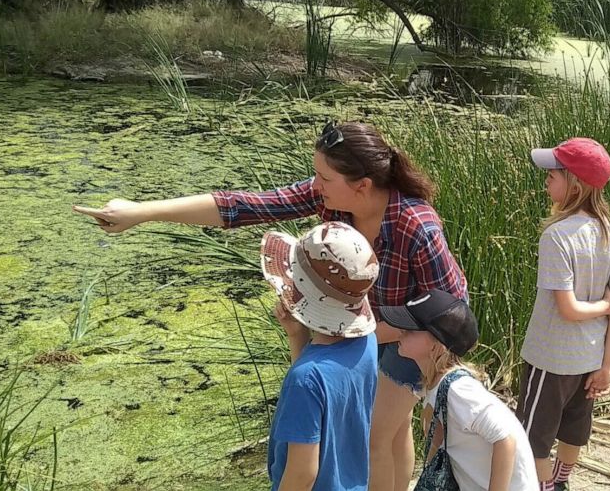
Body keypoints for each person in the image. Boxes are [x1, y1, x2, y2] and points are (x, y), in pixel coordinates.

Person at [73, 122, 468, 491]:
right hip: (364, 324)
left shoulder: (416, 225)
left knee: (375, 434)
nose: (316, 185)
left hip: (420, 334)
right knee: (394, 429)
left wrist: (375, 333)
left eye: (325, 178)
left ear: (362, 185)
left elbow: (448, 311)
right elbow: (243, 205)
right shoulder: (333, 196)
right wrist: (141, 212)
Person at [515, 138, 610, 491]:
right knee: (574, 428)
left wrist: (601, 306)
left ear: (575, 185)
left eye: (553, 175)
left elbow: (568, 309)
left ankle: (546, 486)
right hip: (590, 356)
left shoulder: (557, 235)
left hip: (550, 358)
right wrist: (607, 366)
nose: (546, 180)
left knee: (533, 436)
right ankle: (562, 480)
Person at [380, 289, 539, 491]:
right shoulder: (436, 382)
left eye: (410, 329)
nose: (399, 331)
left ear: (437, 346)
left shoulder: (458, 390)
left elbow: (505, 438)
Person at [261, 221, 379, 491]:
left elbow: (302, 475)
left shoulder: (304, 380)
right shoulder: (367, 343)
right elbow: (325, 391)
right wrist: (296, 335)